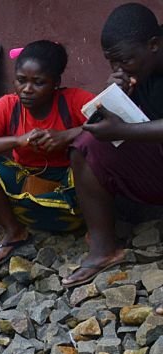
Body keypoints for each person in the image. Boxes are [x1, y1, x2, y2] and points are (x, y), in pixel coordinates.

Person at [0, 40, 95, 266]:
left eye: (38, 82)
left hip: (73, 191)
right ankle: (14, 232)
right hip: (27, 189)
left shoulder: (74, 100)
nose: (27, 89)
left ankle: (97, 232)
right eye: (21, 80)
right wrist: (18, 141)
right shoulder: (9, 105)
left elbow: (112, 124)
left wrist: (67, 136)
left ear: (56, 82)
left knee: (90, 152)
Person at [65, 2, 163, 292]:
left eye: (124, 61)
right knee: (85, 145)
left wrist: (124, 130)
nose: (117, 69)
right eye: (111, 62)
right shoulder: (140, 73)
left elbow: (130, 130)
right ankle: (104, 249)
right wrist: (115, 97)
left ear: (154, 45)